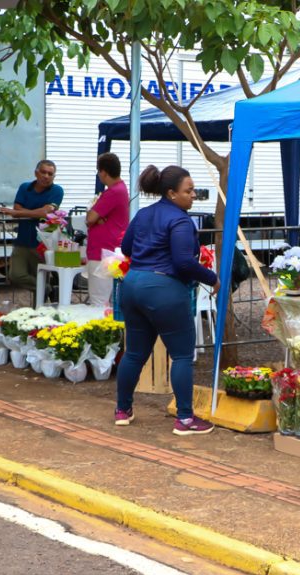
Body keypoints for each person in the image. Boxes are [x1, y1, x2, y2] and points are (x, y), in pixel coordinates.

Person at [114, 165, 219, 435]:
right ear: (172, 193)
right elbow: (183, 262)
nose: (193, 195)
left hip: (133, 284)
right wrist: (212, 278)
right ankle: (185, 419)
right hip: (164, 288)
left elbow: (126, 248)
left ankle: (122, 410)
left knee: (135, 352)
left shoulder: (144, 214)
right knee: (182, 354)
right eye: (189, 190)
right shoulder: (181, 221)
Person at [0, 160, 65, 291]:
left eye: (50, 174)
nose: (46, 176)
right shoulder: (25, 187)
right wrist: (36, 213)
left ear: (54, 176)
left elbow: (45, 212)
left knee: (40, 276)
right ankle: (48, 289)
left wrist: (20, 213)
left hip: (42, 244)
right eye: (43, 172)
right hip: (22, 241)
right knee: (15, 275)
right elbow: (17, 208)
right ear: (36, 173)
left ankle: (41, 306)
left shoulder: (57, 190)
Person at [85, 153, 129, 307]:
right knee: (109, 301)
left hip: (103, 252)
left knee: (99, 301)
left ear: (103, 172)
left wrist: (94, 215)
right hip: (111, 250)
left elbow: (90, 218)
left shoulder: (112, 192)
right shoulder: (121, 189)